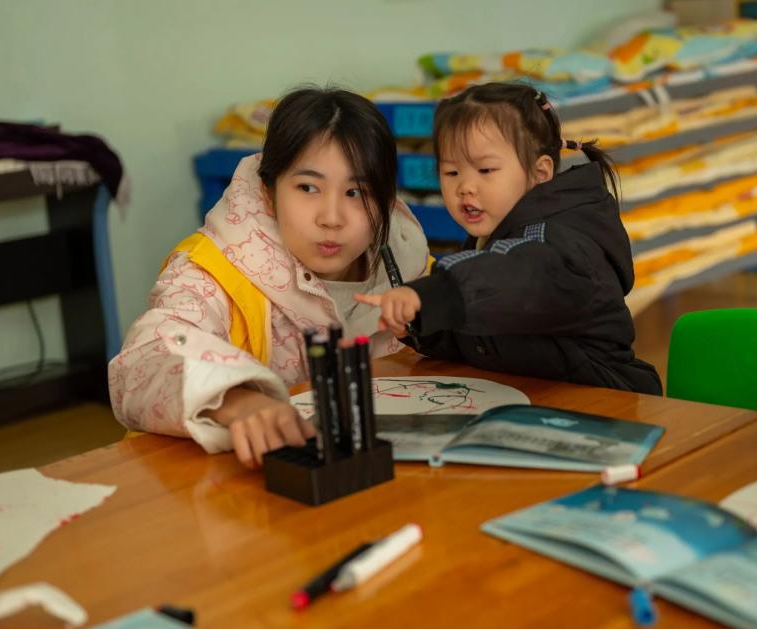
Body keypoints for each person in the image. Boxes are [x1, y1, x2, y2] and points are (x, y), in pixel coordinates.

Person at [109, 87, 430, 467]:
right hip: (227, 486)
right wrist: (236, 401)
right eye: (308, 187)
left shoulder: (410, 266)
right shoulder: (212, 270)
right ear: (269, 189)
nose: (331, 218)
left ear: (387, 199)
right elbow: (142, 363)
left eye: (356, 192)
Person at [356, 82, 661, 394]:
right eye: (451, 173)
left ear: (540, 173)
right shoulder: (493, 236)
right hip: (539, 399)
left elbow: (518, 277)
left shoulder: (560, 242)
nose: (465, 187)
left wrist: (437, 295)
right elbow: (483, 339)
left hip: (609, 400)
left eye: (486, 170)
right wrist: (420, 328)